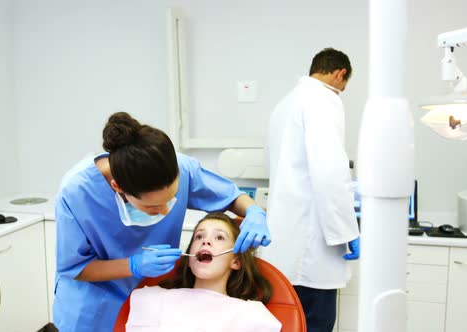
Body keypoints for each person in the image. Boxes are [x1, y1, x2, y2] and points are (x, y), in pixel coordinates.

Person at [53, 112, 271, 331]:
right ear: (117, 187)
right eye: (152, 207)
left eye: (172, 199)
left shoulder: (181, 168)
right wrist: (133, 265)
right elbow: (75, 267)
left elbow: (232, 197)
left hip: (150, 297)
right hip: (93, 311)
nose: (166, 211)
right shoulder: (76, 193)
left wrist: (254, 211)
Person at [262, 47, 360, 332]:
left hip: (283, 243)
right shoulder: (324, 99)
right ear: (340, 74)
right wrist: (347, 233)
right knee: (316, 322)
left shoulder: (285, 103)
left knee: (286, 322)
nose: (341, 91)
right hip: (313, 242)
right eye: (344, 85)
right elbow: (331, 173)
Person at [126, 212, 282, 331]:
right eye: (199, 236)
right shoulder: (152, 298)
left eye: (219, 237)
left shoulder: (252, 314)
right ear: (189, 256)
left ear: (236, 261)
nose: (205, 241)